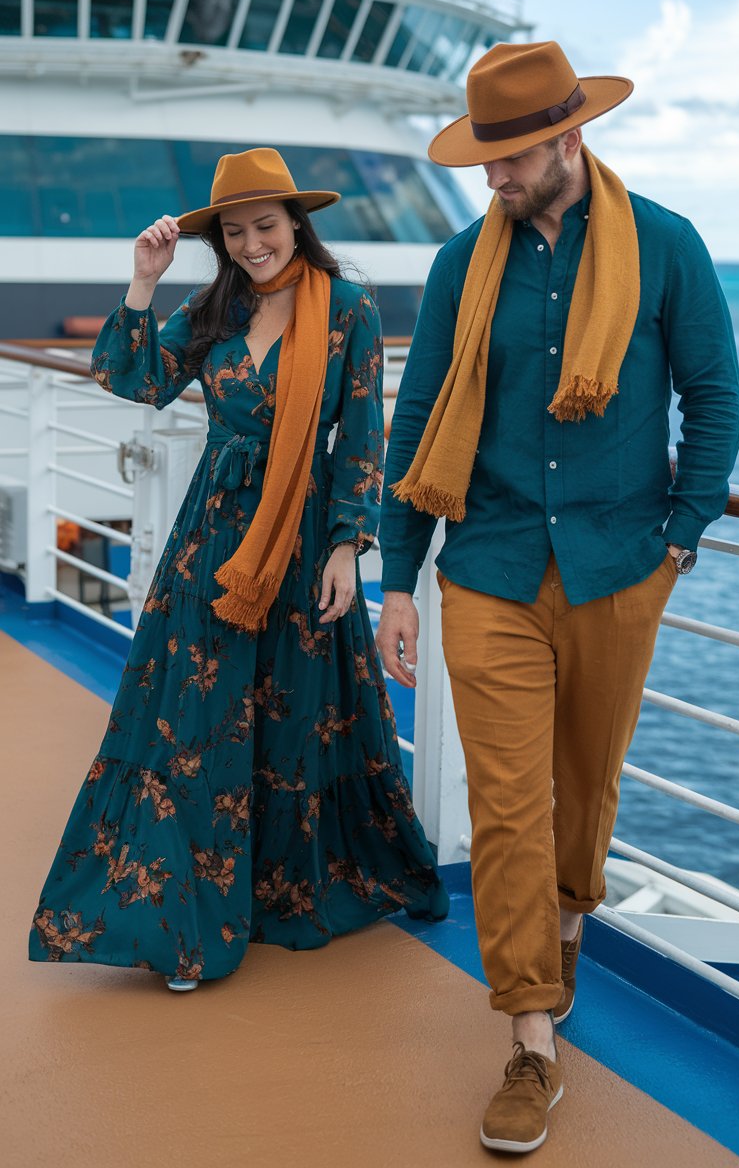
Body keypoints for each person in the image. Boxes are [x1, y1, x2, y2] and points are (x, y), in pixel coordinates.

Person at [376, 41, 739, 1153]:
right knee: (503, 802)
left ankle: (567, 925)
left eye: (509, 157)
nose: (492, 177)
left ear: (566, 139)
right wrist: (396, 579)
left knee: (585, 788)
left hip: (616, 568)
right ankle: (530, 1037)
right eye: (482, 158)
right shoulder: (460, 262)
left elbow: (713, 404)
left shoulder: (667, 247)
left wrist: (674, 541)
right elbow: (419, 416)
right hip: (487, 566)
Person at [30, 147, 448, 990]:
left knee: (292, 715)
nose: (254, 243)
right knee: (192, 719)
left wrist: (346, 548)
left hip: (300, 539)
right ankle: (183, 915)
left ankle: (273, 887)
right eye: (235, 231)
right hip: (214, 537)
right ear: (219, 240)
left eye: (266, 225)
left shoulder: (349, 309)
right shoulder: (215, 305)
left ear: (298, 221)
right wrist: (142, 283)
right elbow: (130, 378)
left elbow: (363, 436)